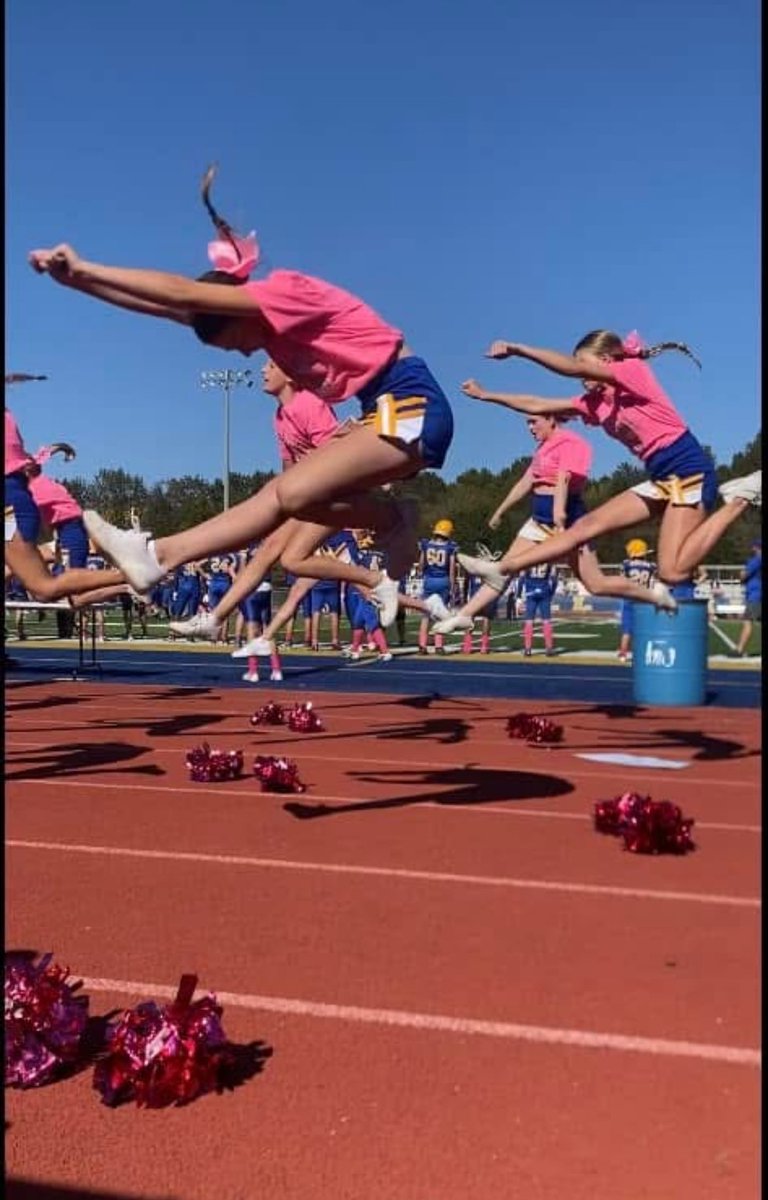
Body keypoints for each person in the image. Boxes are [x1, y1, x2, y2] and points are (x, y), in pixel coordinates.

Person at [30, 167, 454, 609]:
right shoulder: (268, 328)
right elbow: (167, 308)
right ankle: (158, 556)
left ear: (239, 314)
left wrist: (87, 265)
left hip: (412, 402)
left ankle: (395, 518)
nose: (247, 354)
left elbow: (183, 295)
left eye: (236, 345)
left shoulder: (286, 294)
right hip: (381, 408)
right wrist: (79, 283)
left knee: (292, 492)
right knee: (282, 497)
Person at [451, 330, 760, 600]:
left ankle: (737, 499)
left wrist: (519, 349)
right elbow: (538, 404)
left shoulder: (632, 371)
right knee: (584, 527)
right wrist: (486, 395)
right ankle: (501, 569)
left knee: (672, 572)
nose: (582, 375)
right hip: (661, 475)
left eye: (585, 365)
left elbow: (571, 368)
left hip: (688, 468)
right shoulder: (596, 404)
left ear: (606, 360)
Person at [434, 412, 667, 635]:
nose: (530, 428)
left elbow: (564, 479)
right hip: (538, 521)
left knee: (596, 584)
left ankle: (652, 594)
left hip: (569, 523)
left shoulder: (572, 443)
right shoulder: (542, 448)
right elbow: (526, 482)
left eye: (533, 421)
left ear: (551, 419)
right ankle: (465, 614)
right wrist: (500, 511)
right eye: (527, 423)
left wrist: (559, 517)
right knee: (502, 574)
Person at [5, 379, 125, 602]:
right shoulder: (34, 476)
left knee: (52, 590)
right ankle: (130, 576)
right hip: (32, 515)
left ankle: (128, 576)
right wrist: (61, 448)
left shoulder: (39, 486)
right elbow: (40, 457)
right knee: (44, 588)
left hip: (27, 513)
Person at [417, 519, 458, 655]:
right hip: (443, 581)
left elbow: (421, 565)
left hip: (429, 581)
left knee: (426, 615)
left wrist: (422, 574)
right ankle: (438, 646)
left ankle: (422, 645)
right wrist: (453, 584)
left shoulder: (426, 544)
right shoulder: (450, 547)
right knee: (440, 615)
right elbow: (451, 569)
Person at [617, 538, 655, 662]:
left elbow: (622, 580)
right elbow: (652, 584)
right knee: (643, 628)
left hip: (629, 597)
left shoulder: (626, 564)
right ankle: (642, 652)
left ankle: (623, 653)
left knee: (627, 629)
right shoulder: (651, 566)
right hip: (644, 598)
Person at [517, 563, 559, 657]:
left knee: (529, 621)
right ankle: (549, 648)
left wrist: (518, 596)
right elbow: (554, 580)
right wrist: (551, 593)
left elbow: (521, 579)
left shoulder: (527, 561)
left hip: (531, 593)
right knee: (546, 621)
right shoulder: (549, 562)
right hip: (544, 592)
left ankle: (528, 648)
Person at [735, 539, 761, 658]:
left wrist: (741, 576)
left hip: (755, 595)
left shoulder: (756, 560)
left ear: (756, 548)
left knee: (747, 622)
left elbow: (743, 575)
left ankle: (739, 650)